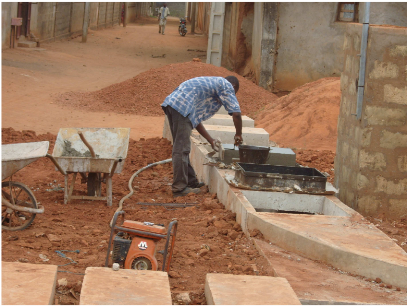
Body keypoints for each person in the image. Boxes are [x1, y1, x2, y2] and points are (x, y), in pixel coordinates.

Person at [162, 76, 243, 198]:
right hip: (181, 107)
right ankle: (179, 188)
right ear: (234, 87)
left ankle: (190, 182)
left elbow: (195, 119)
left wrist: (210, 140)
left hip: (175, 105)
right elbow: (236, 114)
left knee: (182, 147)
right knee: (181, 149)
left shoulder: (210, 86)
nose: (231, 96)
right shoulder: (227, 85)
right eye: (233, 93)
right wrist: (238, 134)